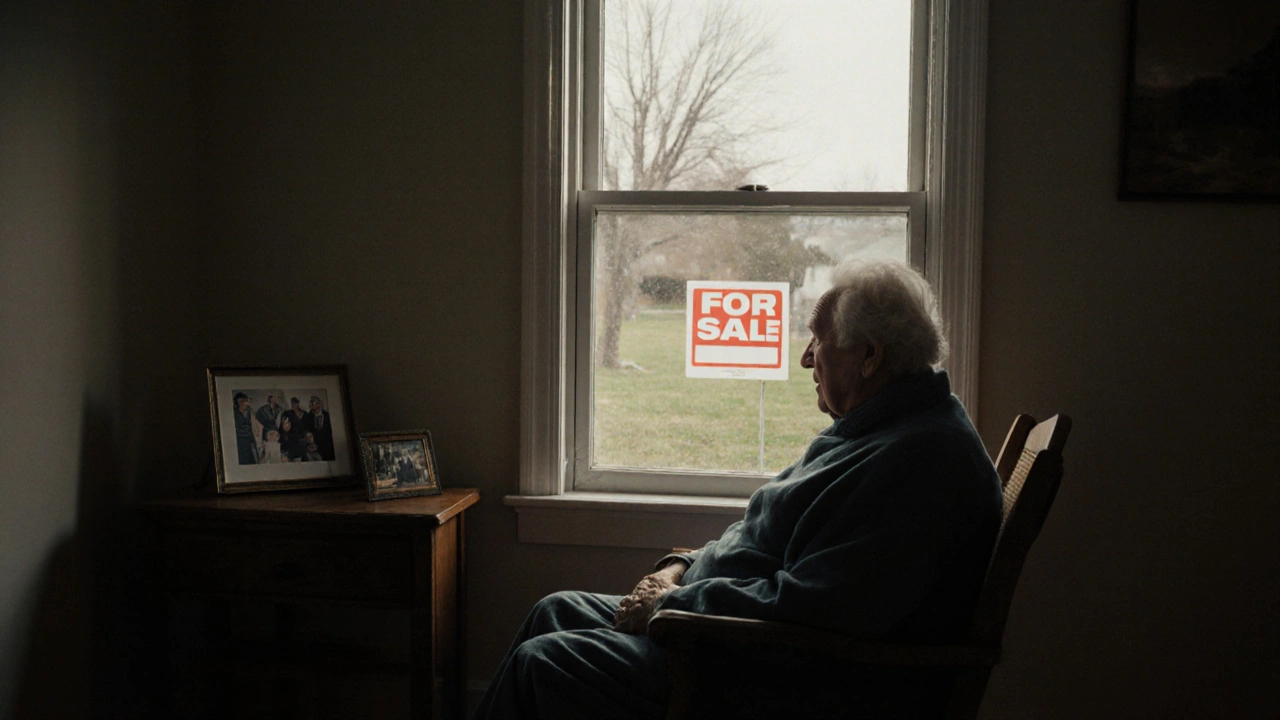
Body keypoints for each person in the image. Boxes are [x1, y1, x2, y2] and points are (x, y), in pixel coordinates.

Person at [474, 260, 1002, 720]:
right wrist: (679, 567)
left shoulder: (919, 463)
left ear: (869, 356)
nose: (805, 358)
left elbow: (815, 606)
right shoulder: (881, 428)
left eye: (818, 339)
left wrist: (678, 602)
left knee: (541, 664)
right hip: (721, 632)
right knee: (554, 609)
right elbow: (764, 537)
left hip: (766, 673)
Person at [232, 392, 258, 465]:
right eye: (241, 402)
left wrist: (252, 439)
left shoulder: (248, 412)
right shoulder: (234, 413)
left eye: (245, 401)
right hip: (240, 440)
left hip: (248, 440)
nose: (244, 403)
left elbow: (249, 426)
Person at [309, 396, 335, 461]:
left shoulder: (327, 415)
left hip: (327, 447)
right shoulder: (309, 416)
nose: (317, 406)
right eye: (314, 404)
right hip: (316, 448)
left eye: (318, 403)